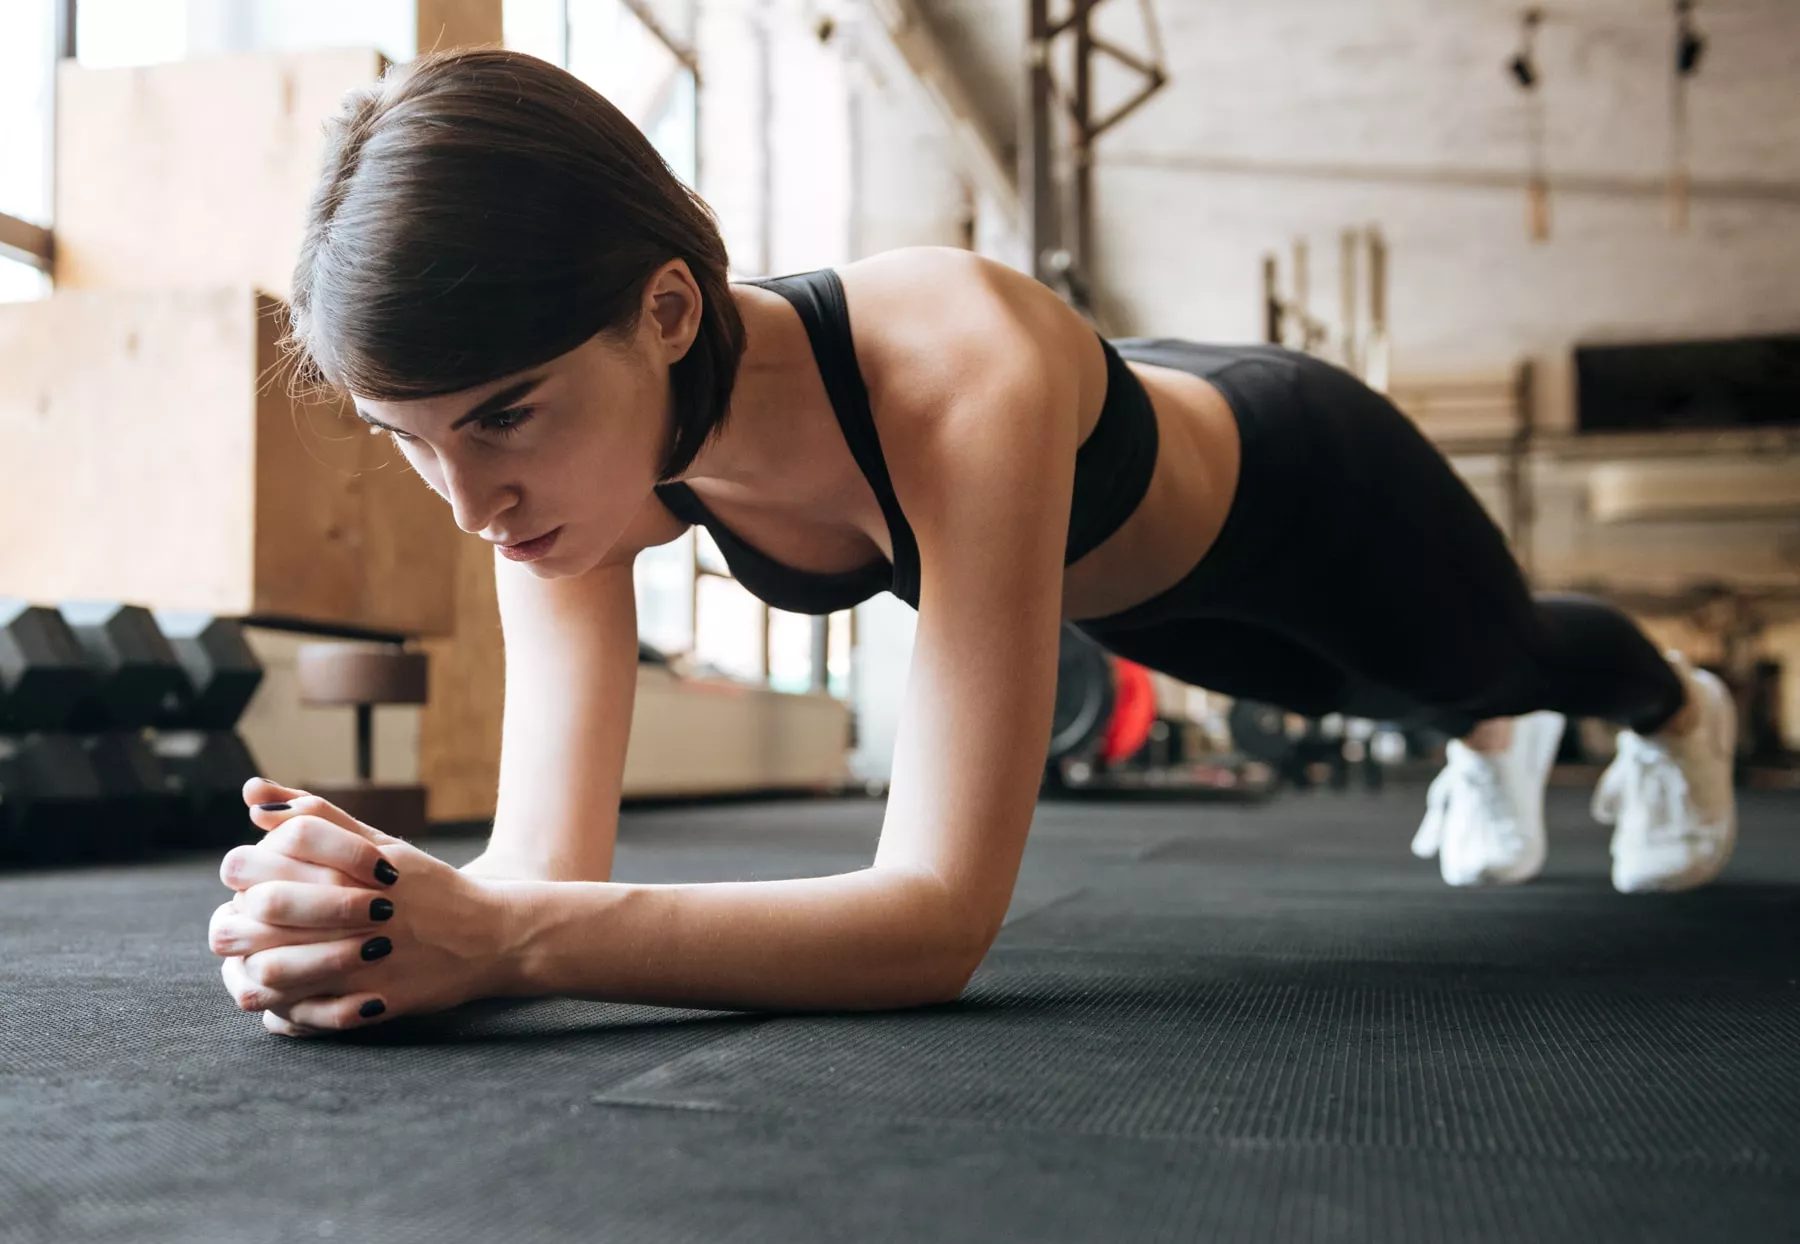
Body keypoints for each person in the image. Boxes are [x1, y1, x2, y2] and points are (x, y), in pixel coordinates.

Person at [207, 48, 1737, 1038]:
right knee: (1370, 699)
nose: (470, 504)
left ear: (665, 311)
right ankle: (1473, 734)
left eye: (498, 421)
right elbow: (542, 875)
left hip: (1305, 486)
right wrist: (382, 914)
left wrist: (508, 939)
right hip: (1135, 602)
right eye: (413, 443)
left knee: (1510, 660)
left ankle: (1677, 712)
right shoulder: (573, 468)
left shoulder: (955, 365)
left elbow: (934, 918)